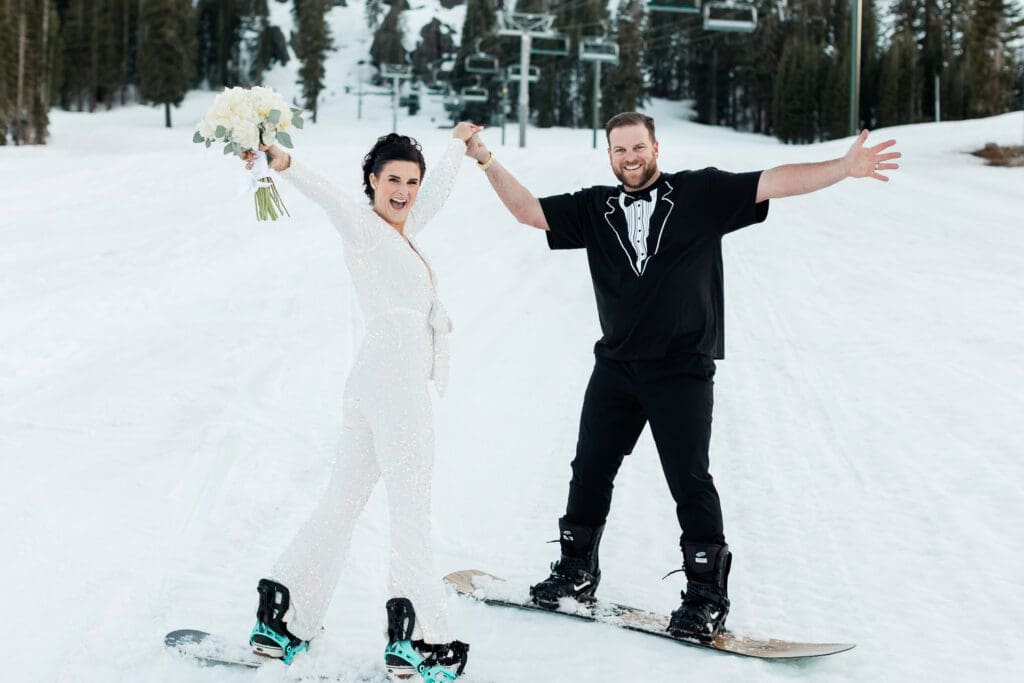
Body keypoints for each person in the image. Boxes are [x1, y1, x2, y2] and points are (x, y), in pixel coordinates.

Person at [464, 112, 900, 641]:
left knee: (689, 480)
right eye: (619, 149)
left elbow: (775, 181)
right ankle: (576, 573)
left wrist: (844, 166)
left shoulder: (700, 193)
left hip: (682, 370)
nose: (630, 157)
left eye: (638, 147)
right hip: (617, 367)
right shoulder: (594, 208)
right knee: (590, 468)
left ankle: (705, 598)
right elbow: (530, 212)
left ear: (655, 147)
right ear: (609, 155)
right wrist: (485, 159)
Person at [240, 121, 482, 679]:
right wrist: (283, 161)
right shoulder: (367, 228)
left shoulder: (400, 230)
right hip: (395, 389)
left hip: (369, 386)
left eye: (411, 181)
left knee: (341, 504)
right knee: (411, 514)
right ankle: (421, 641)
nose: (404, 190)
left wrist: (456, 145)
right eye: (393, 179)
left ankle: (283, 613)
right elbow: (327, 195)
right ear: (372, 181)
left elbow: (438, 193)